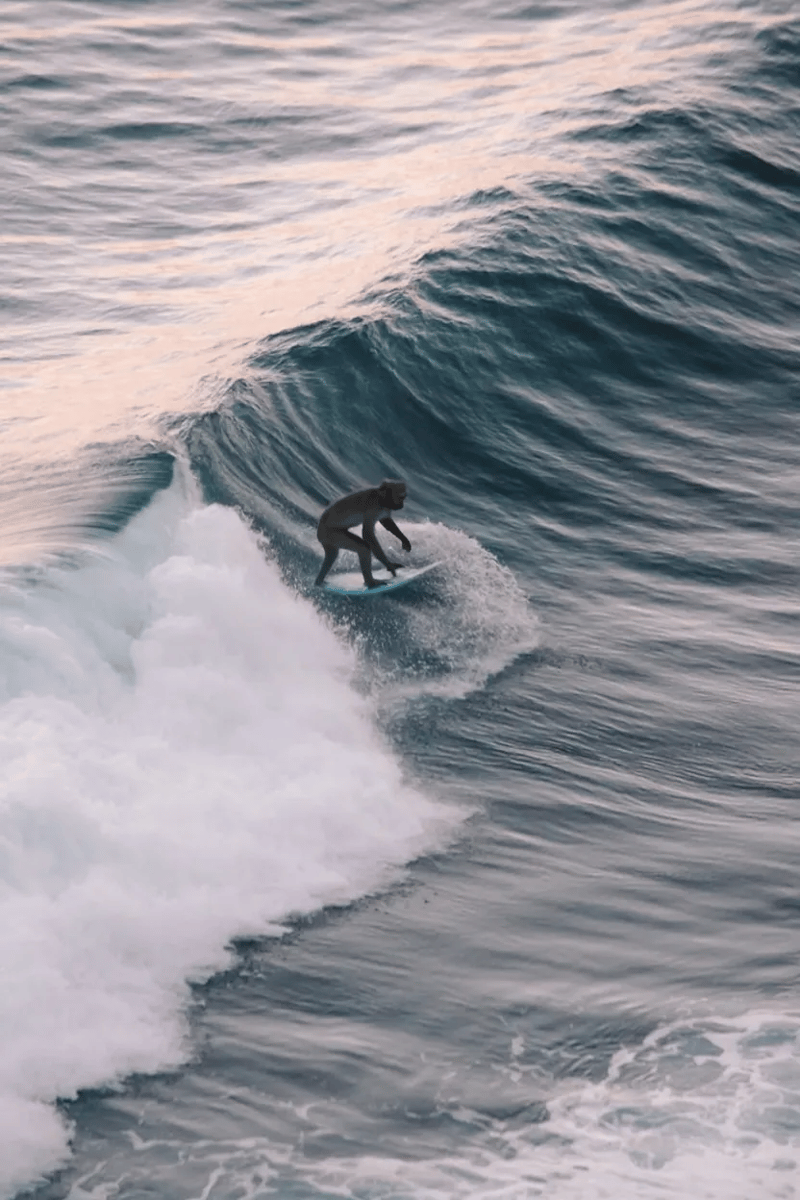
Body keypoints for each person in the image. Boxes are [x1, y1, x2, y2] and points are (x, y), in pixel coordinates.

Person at [315, 479, 411, 588]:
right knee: (364, 549)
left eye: (403, 498)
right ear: (388, 494)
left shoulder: (384, 501)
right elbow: (368, 535)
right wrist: (387, 563)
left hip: (330, 528)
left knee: (331, 555)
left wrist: (403, 539)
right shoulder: (374, 503)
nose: (402, 502)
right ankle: (369, 581)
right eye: (399, 498)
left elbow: (386, 521)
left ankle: (318, 582)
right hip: (328, 530)